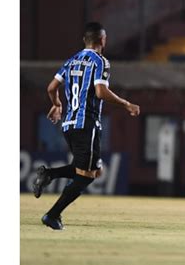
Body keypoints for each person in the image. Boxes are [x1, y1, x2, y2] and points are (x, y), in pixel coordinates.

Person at [32, 22, 140, 230]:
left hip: (68, 125)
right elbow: (100, 92)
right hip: (87, 124)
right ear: (103, 40)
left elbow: (51, 87)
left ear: (85, 40)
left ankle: (49, 175)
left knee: (91, 170)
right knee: (86, 176)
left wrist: (57, 104)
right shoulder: (101, 61)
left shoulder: (70, 61)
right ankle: (52, 215)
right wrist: (126, 103)